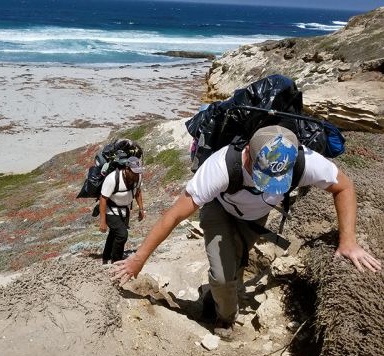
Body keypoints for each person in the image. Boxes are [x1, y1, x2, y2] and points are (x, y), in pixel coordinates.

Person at [112, 125, 381, 338]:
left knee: (236, 265)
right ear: (248, 157)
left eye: (279, 182)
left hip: (255, 218)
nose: (272, 186)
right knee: (222, 273)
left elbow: (343, 187)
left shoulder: (305, 161)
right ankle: (225, 318)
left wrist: (348, 241)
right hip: (219, 211)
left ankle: (212, 296)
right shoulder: (220, 167)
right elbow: (173, 215)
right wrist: (138, 260)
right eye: (265, 178)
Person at [99, 156, 145, 264]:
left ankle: (106, 257)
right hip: (110, 210)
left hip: (125, 211)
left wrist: (141, 209)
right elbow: (103, 199)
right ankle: (116, 261)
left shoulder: (138, 177)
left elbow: (138, 192)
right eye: (134, 172)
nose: (137, 175)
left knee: (114, 234)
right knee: (122, 234)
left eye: (138, 172)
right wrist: (103, 221)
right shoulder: (112, 179)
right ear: (127, 169)